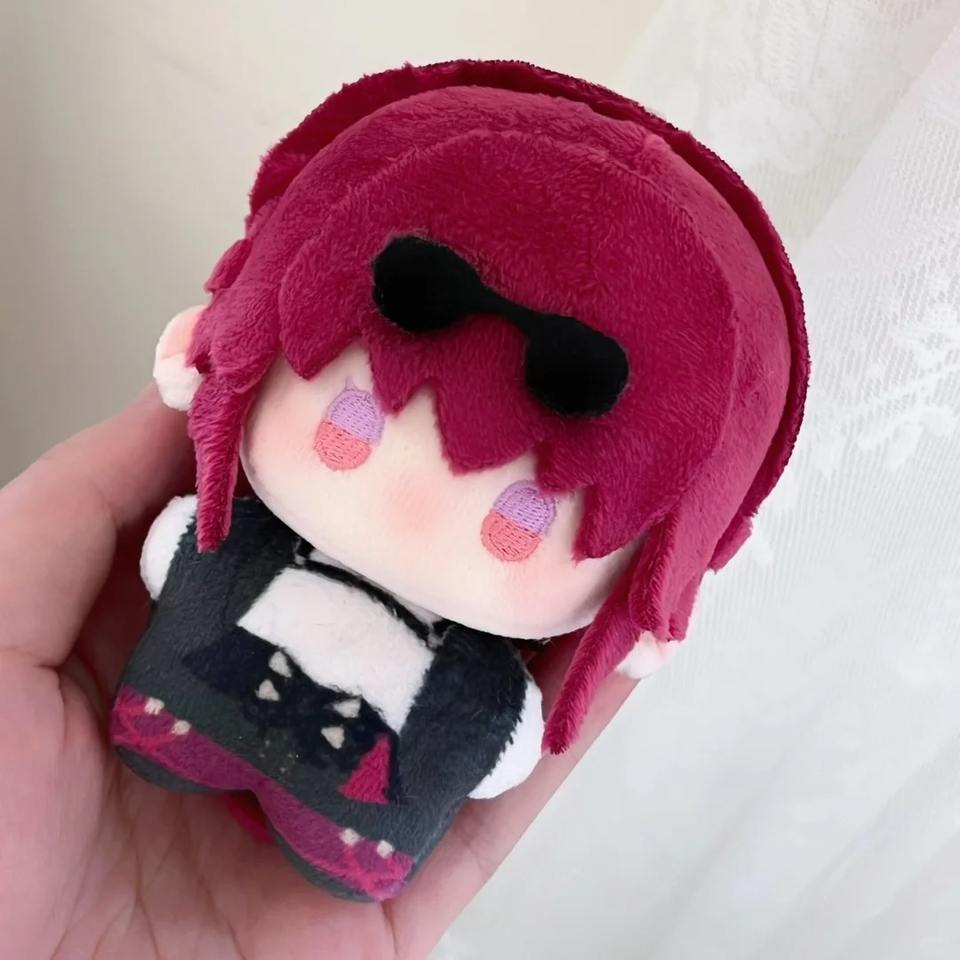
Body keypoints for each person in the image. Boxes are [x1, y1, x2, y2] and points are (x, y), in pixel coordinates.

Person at [0, 387, 634, 959]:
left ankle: (330, 818)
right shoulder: (251, 542)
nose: (414, 508)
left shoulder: (476, 679)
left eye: (523, 518)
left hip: (353, 751)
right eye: (354, 422)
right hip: (229, 677)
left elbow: (491, 746)